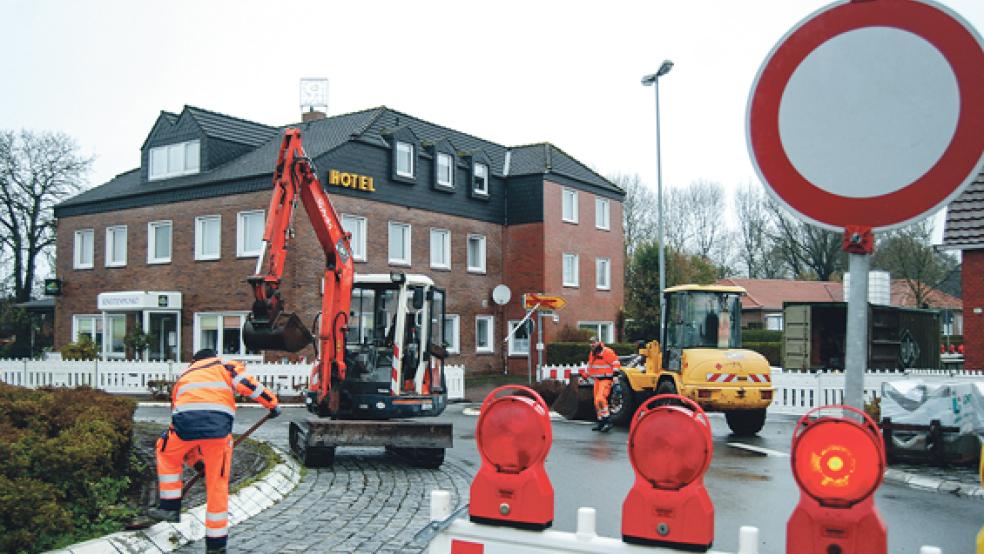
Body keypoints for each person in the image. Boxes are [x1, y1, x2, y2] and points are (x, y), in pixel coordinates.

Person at [147, 349, 281, 554]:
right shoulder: (225, 366)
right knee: (217, 486)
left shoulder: (186, 375)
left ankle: (169, 506)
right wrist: (272, 404)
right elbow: (249, 386)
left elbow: (178, 415)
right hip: (218, 434)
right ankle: (216, 546)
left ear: (194, 361)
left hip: (184, 429)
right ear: (214, 356)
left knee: (166, 451)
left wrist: (196, 462)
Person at [586, 336, 621, 432]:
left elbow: (616, 363)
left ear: (599, 342)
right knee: (596, 402)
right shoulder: (593, 353)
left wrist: (615, 377)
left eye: (594, 342)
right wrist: (586, 375)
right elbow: (591, 366)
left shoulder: (607, 352)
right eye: (591, 343)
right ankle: (601, 422)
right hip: (597, 380)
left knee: (600, 399)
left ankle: (608, 420)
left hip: (606, 379)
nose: (592, 344)